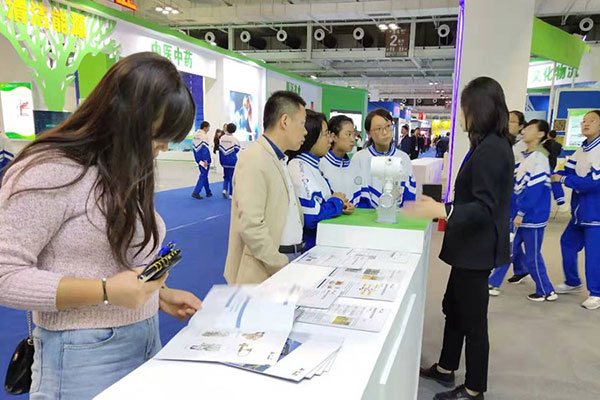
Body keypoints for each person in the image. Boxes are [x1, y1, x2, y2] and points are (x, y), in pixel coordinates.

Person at [0, 53, 202, 400]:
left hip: (144, 338)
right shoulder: (49, 169)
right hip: (81, 355)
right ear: (124, 118)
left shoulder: (126, 166)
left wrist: (158, 295)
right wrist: (105, 291)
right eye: (158, 134)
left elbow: (114, 262)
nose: (165, 146)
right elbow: (5, 274)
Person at [406, 77, 514, 400]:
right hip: (468, 247)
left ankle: (474, 388)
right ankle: (446, 367)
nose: (459, 115)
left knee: (473, 321)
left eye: (463, 108)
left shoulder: (492, 149)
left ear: (478, 109)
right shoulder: (485, 144)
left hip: (477, 250)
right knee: (453, 307)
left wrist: (442, 209)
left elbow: (485, 206)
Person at [223, 91, 307, 284]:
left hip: (285, 259)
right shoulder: (255, 158)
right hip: (266, 268)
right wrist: (280, 264)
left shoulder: (278, 158)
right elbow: (252, 225)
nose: (305, 131)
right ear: (285, 121)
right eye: (302, 123)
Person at [488, 120, 557, 300]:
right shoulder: (524, 155)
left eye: (530, 128)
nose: (525, 131)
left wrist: (521, 212)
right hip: (518, 213)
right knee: (508, 248)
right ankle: (494, 282)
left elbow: (535, 190)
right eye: (525, 128)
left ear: (541, 134)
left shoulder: (539, 159)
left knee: (532, 255)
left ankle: (546, 290)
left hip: (532, 217)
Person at [552, 109, 600, 310]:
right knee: (567, 243)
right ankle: (572, 282)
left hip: (596, 214)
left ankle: (596, 293)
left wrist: (564, 179)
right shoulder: (581, 150)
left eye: (592, 120)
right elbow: (564, 171)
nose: (585, 123)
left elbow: (594, 183)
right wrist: (558, 178)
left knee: (594, 255)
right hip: (579, 212)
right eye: (583, 120)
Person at [288, 111, 355, 250]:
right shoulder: (298, 167)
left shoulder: (313, 167)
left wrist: (341, 205)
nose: (330, 140)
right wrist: (337, 202)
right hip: (309, 248)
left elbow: (324, 202)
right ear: (311, 137)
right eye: (325, 135)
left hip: (322, 243)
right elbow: (311, 216)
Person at [351, 109, 416, 209]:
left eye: (388, 126)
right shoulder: (359, 159)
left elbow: (409, 197)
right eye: (379, 128)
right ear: (369, 133)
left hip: (396, 216)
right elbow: (355, 195)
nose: (385, 132)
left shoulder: (403, 158)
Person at [320, 115, 359, 201]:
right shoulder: (320, 165)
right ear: (333, 137)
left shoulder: (355, 167)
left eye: (354, 134)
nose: (353, 139)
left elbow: (362, 199)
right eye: (348, 134)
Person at [218, 123, 241, 199]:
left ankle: (224, 189)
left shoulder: (222, 138)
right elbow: (237, 149)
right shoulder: (235, 139)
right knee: (232, 177)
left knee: (226, 176)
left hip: (224, 160)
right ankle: (231, 194)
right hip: (232, 161)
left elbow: (220, 149)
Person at [191, 121, 212, 199]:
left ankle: (208, 192)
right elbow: (205, 149)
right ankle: (196, 192)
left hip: (198, 158)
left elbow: (194, 148)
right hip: (204, 159)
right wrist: (206, 160)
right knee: (203, 175)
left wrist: (197, 159)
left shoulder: (195, 135)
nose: (209, 129)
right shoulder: (204, 136)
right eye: (208, 127)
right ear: (205, 127)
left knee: (204, 174)